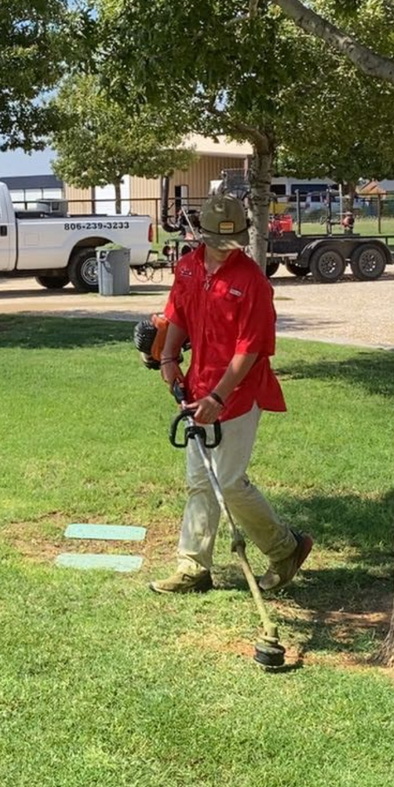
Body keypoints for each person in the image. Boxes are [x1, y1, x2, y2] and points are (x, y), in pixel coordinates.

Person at [150, 191, 313, 595]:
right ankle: (192, 567)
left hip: (238, 392)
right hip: (198, 385)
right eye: (217, 243)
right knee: (199, 480)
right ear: (200, 234)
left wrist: (218, 397)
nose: (225, 251)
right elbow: (178, 316)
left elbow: (251, 349)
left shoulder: (252, 282)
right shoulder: (187, 269)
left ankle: (286, 548)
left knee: (227, 480)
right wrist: (169, 357)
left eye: (232, 243)